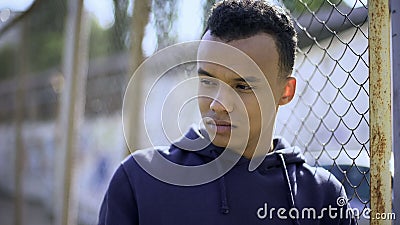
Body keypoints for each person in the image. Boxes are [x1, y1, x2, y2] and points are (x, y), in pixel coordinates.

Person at [98, 0, 356, 224]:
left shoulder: (322, 198)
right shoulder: (140, 180)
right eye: (208, 81)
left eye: (242, 86)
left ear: (285, 92)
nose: (217, 105)